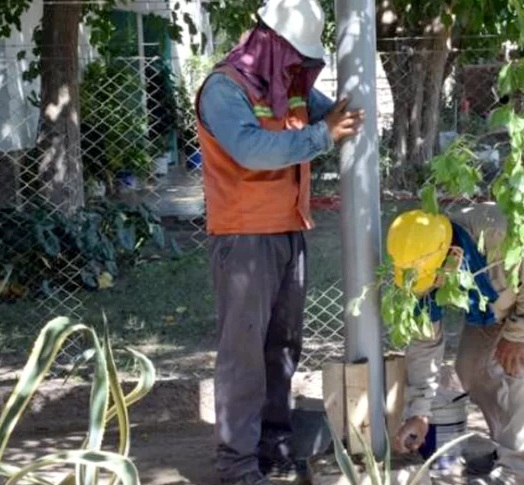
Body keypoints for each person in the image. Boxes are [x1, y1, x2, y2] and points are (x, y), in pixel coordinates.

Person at [194, 0, 364, 483]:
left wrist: (341, 117)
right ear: (270, 41)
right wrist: (323, 134)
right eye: (297, 57)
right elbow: (251, 150)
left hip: (289, 229)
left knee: (282, 346)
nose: (302, 71)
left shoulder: (286, 83)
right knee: (244, 354)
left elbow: (326, 115)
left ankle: (273, 443)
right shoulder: (225, 89)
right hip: (244, 236)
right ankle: (236, 463)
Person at [387, 204, 524, 485]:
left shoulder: (498, 234)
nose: (430, 284)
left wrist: (518, 336)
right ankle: (504, 446)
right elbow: (425, 344)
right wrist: (419, 412)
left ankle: (518, 469)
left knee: (520, 369)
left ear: (450, 253)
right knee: (470, 368)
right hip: (496, 300)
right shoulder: (416, 263)